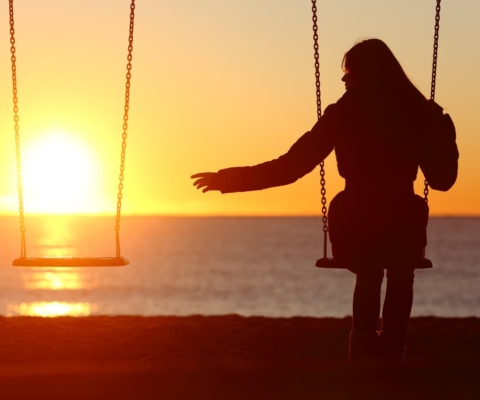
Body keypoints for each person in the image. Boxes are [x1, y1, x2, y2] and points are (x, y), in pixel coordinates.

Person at [191, 39, 459, 361]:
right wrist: (443, 134)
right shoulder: (417, 113)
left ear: (366, 74)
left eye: (349, 72)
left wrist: (229, 180)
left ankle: (362, 356)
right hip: (402, 219)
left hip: (358, 219)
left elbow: (290, 167)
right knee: (401, 273)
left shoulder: (343, 114)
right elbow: (443, 181)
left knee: (370, 271)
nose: (344, 80)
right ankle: (391, 351)